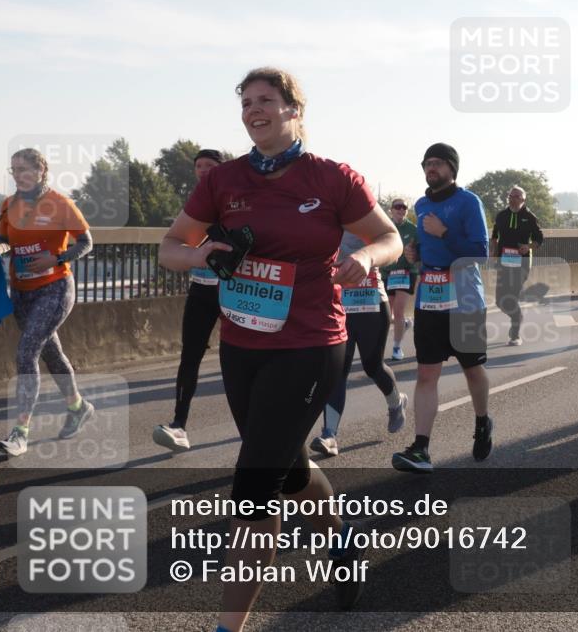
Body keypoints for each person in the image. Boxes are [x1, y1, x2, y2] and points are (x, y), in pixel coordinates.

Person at [159, 67, 402, 625]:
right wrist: (203, 255)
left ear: (295, 109)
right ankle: (343, 545)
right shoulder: (224, 180)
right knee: (286, 471)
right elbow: (170, 247)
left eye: (265, 100)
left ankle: (227, 626)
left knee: (253, 490)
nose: (253, 110)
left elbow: (388, 236)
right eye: (245, 102)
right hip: (242, 344)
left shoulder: (332, 177)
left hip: (311, 342)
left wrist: (364, 258)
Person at [391, 143, 492, 473]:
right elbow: (427, 246)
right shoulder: (420, 205)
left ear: (452, 168)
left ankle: (482, 421)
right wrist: (415, 252)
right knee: (426, 373)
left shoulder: (468, 202)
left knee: (472, 370)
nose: (430, 168)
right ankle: (421, 448)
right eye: (426, 163)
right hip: (430, 300)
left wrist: (444, 231)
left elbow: (479, 253)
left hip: (464, 302)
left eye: (437, 163)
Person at [0, 148, 95, 457]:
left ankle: (21, 431)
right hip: (22, 292)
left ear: (40, 170)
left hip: (54, 289)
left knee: (27, 352)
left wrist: (57, 257)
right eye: (13, 170)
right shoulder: (9, 205)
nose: (18, 175)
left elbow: (86, 242)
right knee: (51, 353)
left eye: (24, 169)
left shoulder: (59, 204)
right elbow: (5, 240)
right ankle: (78, 407)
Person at [310, 230, 409, 457]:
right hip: (339, 305)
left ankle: (396, 402)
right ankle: (330, 435)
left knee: (372, 366)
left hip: (371, 302)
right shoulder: (324, 217)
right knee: (337, 370)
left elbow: (392, 248)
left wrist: (366, 257)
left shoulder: (366, 216)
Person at [153, 149, 225, 453]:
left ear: (222, 169)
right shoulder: (193, 202)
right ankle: (179, 425)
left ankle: (259, 431)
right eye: (199, 166)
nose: (203, 170)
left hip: (234, 291)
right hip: (201, 287)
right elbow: (179, 242)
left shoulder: (232, 196)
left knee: (242, 360)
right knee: (190, 355)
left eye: (210, 165)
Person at [490, 185, 544, 346]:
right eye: (510, 195)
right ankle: (517, 316)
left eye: (516, 196)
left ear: (523, 200)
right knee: (500, 301)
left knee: (511, 297)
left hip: (522, 264)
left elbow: (539, 239)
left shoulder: (530, 217)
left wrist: (528, 247)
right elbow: (494, 236)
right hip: (503, 263)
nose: (512, 198)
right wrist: (493, 253)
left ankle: (515, 334)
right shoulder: (501, 216)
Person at [380, 198, 419, 361]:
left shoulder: (413, 229)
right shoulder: (384, 227)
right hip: (387, 273)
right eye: (397, 207)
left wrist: (414, 258)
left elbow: (419, 252)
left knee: (398, 310)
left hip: (406, 273)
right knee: (387, 314)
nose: (401, 210)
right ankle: (405, 324)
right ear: (391, 210)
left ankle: (396, 348)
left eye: (404, 207)